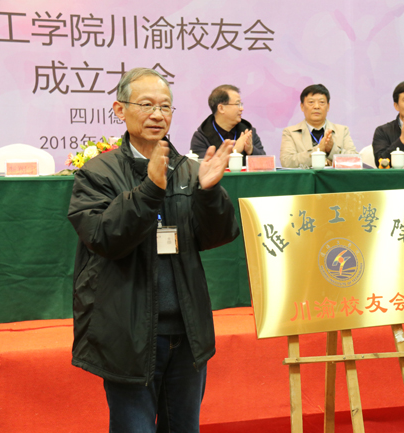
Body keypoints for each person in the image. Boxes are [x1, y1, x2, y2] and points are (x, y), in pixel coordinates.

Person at [67, 68, 239, 432]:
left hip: (187, 331)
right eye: (146, 105)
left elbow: (217, 236)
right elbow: (104, 237)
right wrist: (149, 191)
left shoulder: (188, 169)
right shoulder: (97, 173)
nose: (157, 114)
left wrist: (209, 194)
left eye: (165, 107)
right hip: (129, 332)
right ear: (120, 109)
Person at [280, 84, 357, 168]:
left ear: (328, 106)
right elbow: (286, 162)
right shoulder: (290, 132)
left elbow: (355, 161)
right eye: (311, 102)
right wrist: (318, 149)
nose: (316, 106)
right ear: (302, 106)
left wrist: (332, 149)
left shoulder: (342, 131)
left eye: (322, 102)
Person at [191, 84, 265, 164]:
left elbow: (265, 163)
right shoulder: (201, 137)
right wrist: (234, 151)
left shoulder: (248, 132)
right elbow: (202, 168)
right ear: (221, 108)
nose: (242, 108)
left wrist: (251, 150)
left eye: (241, 104)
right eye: (237, 104)